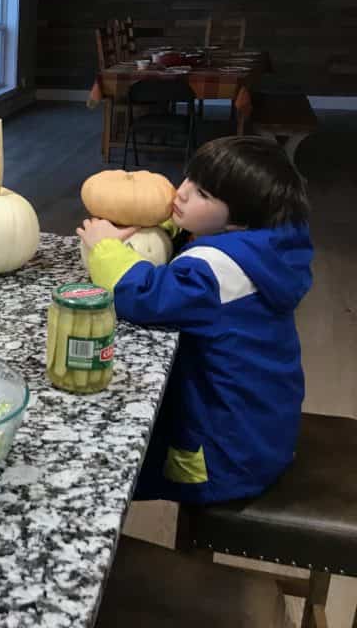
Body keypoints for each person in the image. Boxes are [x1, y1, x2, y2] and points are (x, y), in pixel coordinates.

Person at [78, 136, 312, 504]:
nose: (182, 193)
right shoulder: (269, 247)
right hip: (263, 428)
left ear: (239, 222)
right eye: (188, 178)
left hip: (224, 455)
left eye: (202, 193)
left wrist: (105, 249)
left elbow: (146, 296)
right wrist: (174, 228)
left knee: (102, 468)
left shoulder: (217, 271)